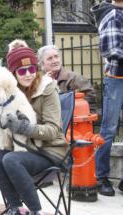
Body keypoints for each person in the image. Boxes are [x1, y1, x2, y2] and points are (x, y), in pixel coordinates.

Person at [0, 40, 68, 215]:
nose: (28, 74)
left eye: (31, 68)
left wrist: (24, 127)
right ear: (13, 73)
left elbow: (53, 130)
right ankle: (17, 210)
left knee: (11, 160)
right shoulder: (10, 91)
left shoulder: (47, 88)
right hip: (22, 149)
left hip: (49, 150)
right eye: (21, 71)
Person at [91, 0, 123, 196]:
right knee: (109, 129)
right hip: (116, 78)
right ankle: (100, 176)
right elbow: (111, 50)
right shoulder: (111, 15)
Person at [37, 45, 97, 113]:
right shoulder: (39, 82)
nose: (55, 61)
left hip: (73, 120)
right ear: (42, 64)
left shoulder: (74, 78)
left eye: (56, 56)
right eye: (50, 58)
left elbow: (90, 98)